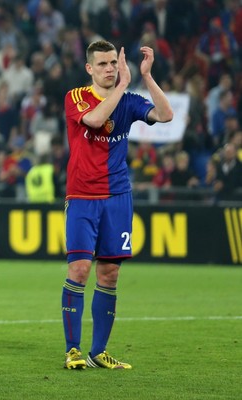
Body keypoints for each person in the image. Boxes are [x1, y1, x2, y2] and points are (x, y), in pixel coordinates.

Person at [62, 40, 173, 370]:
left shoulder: (129, 101)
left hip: (117, 197)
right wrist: (124, 84)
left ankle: (98, 352)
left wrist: (147, 77)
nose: (110, 68)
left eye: (114, 63)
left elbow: (166, 115)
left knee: (109, 274)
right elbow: (95, 121)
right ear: (90, 69)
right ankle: (72, 350)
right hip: (82, 195)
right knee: (80, 269)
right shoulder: (75, 97)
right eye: (103, 64)